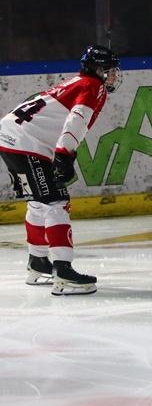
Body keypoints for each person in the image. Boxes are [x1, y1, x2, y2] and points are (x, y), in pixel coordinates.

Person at [0, 45, 120, 294]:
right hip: (27, 143)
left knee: (38, 203)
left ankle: (38, 262)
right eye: (109, 71)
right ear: (97, 70)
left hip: (9, 138)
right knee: (56, 202)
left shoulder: (76, 82)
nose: (113, 76)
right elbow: (77, 119)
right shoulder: (92, 86)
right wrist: (65, 155)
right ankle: (63, 271)